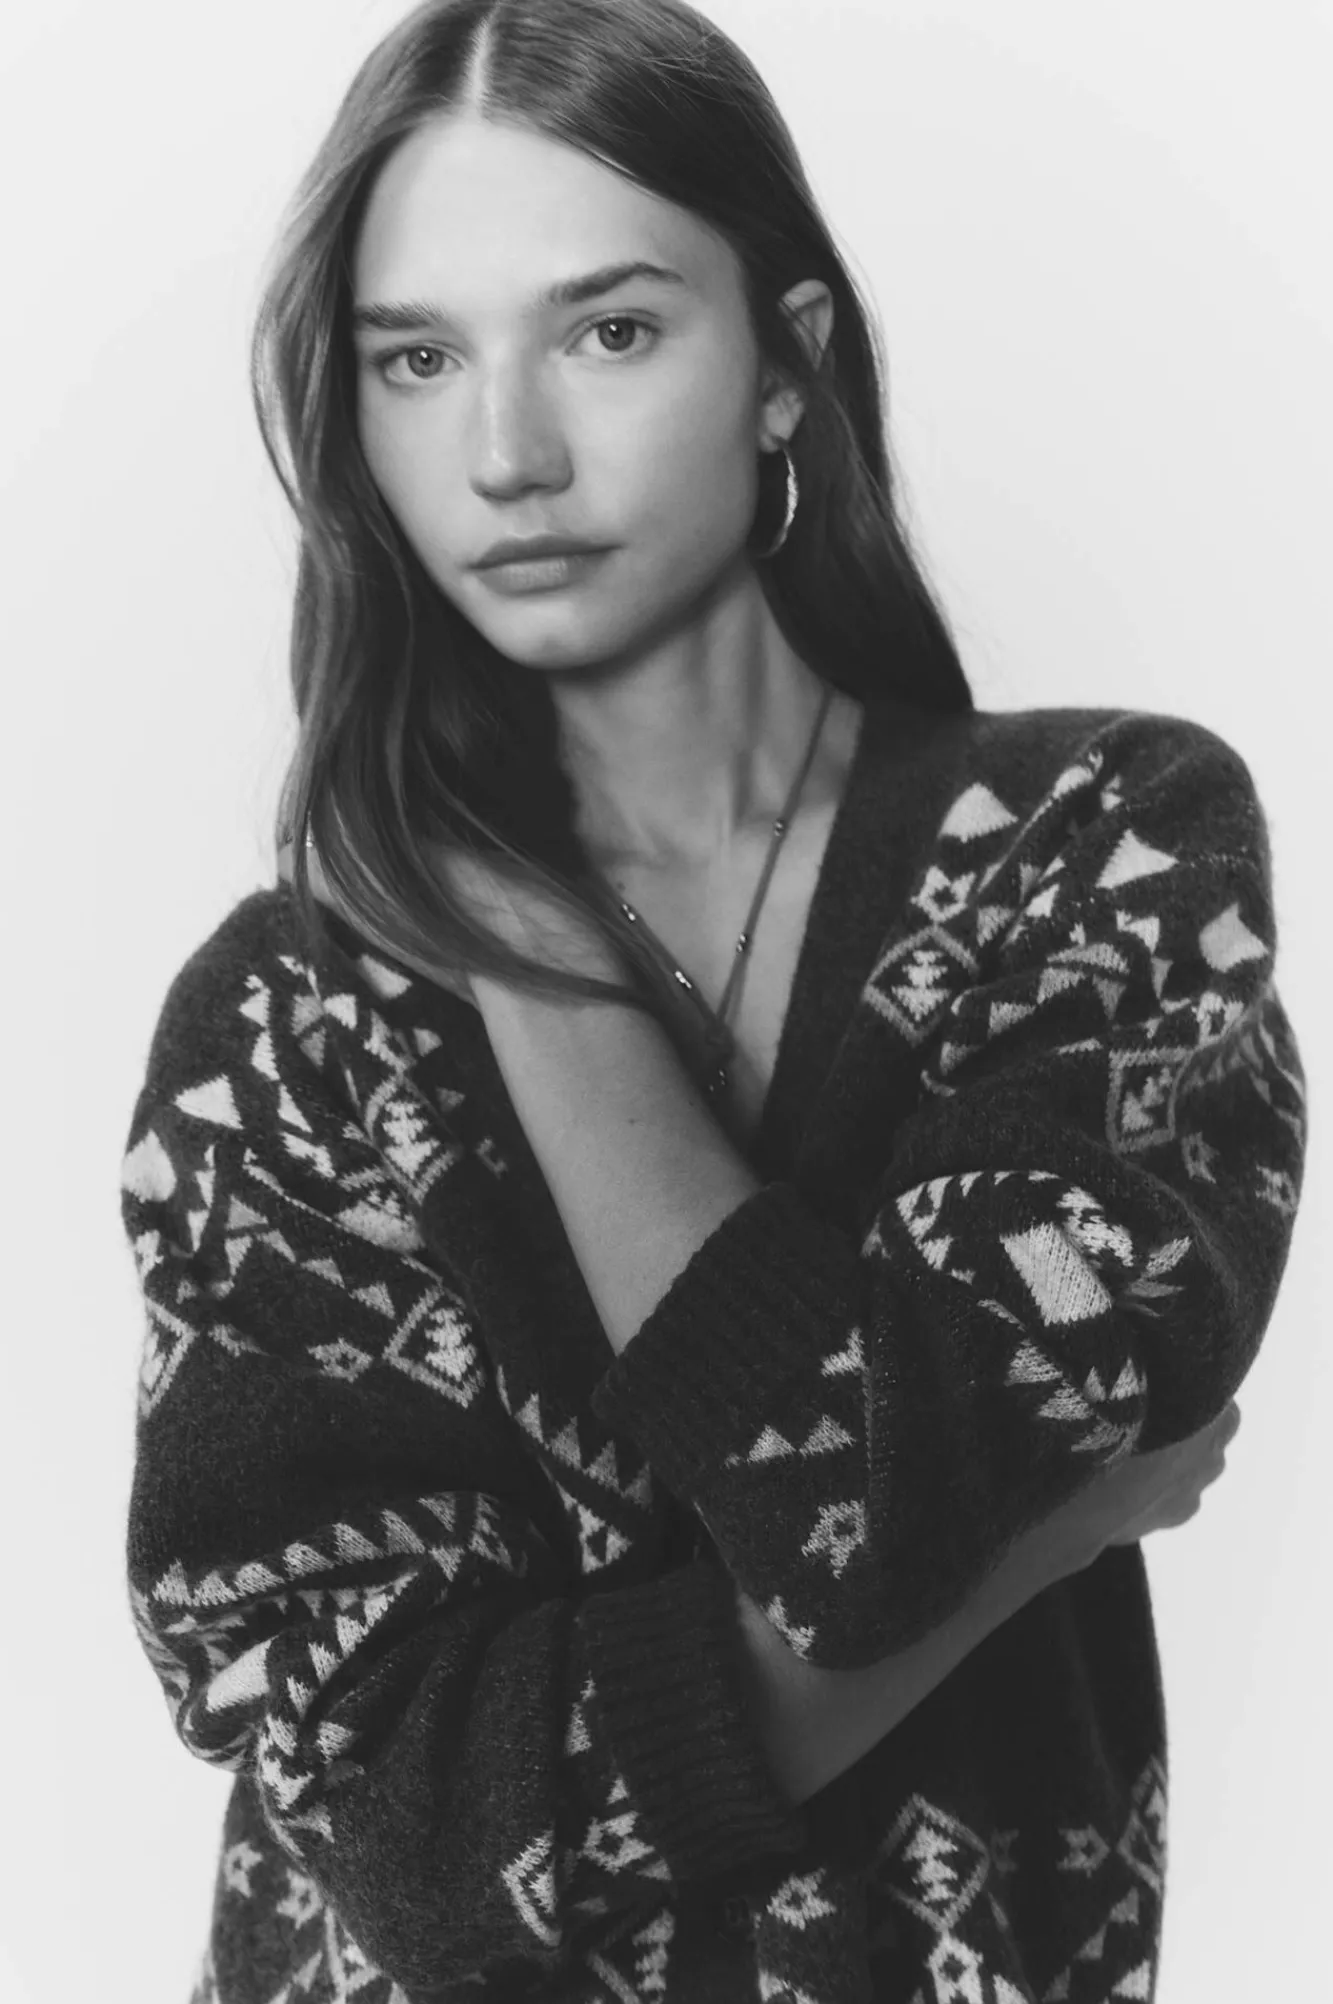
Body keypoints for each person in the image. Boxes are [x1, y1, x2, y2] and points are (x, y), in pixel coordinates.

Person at [118, 3, 1306, 2000]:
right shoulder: (285, 1032)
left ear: (785, 362)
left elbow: (856, 1512)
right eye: (418, 358)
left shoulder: (1098, 859)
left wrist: (516, 936)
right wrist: (1029, 1541)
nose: (507, 453)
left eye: (609, 330)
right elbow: (431, 1856)